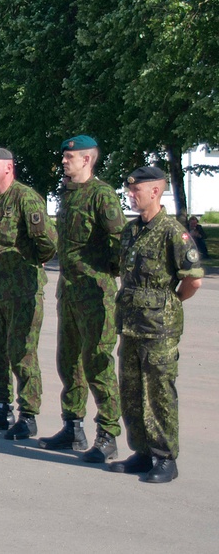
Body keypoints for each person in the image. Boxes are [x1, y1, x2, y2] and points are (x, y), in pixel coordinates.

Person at [108, 166, 203, 483]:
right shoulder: (132, 231)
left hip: (159, 328)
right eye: (129, 190)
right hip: (131, 326)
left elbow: (193, 280)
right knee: (132, 391)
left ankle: (165, 458)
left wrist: (170, 303)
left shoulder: (173, 232)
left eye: (137, 191)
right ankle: (142, 452)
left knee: (159, 393)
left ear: (155, 192)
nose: (131, 195)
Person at [38, 136, 124, 462]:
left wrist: (105, 275)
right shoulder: (69, 195)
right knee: (68, 362)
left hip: (95, 294)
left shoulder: (102, 195)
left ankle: (108, 434)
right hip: (70, 292)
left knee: (97, 364)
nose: (63, 161)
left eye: (69, 156)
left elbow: (119, 242)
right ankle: (72, 426)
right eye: (64, 156)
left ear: (87, 159)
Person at [0, 147, 57, 440]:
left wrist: (31, 263)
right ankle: (1, 407)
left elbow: (47, 241)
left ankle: (28, 415)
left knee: (22, 353)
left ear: (9, 167)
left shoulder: (25, 197)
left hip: (22, 289)